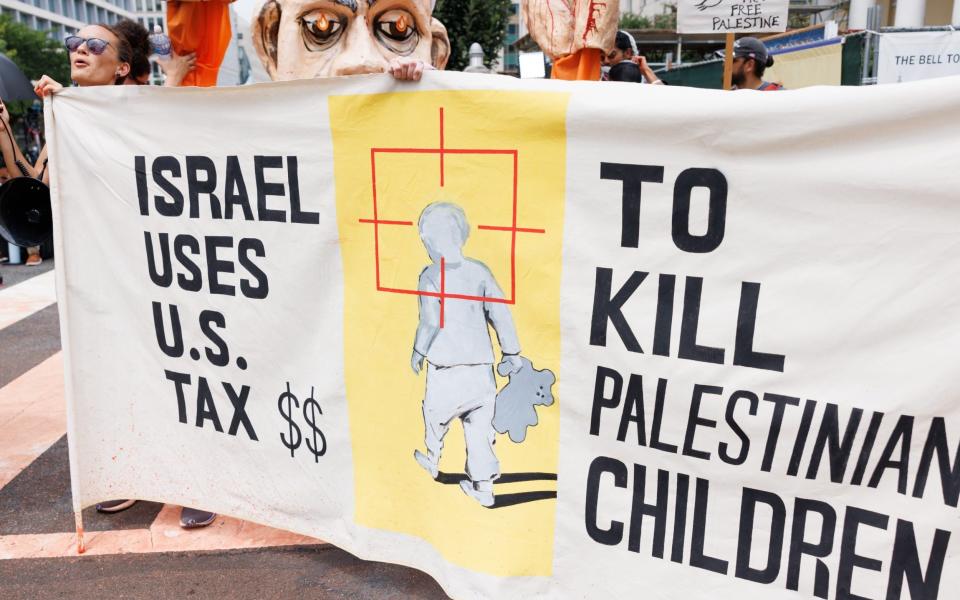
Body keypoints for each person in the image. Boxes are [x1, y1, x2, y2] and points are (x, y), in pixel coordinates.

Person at [410, 202, 523, 507]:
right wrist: (511, 352)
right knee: (479, 430)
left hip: (446, 369)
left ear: (429, 241)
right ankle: (483, 487)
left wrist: (418, 351)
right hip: (480, 370)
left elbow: (430, 321)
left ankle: (432, 457)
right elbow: (501, 314)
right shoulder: (480, 272)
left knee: (435, 416)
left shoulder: (431, 275)